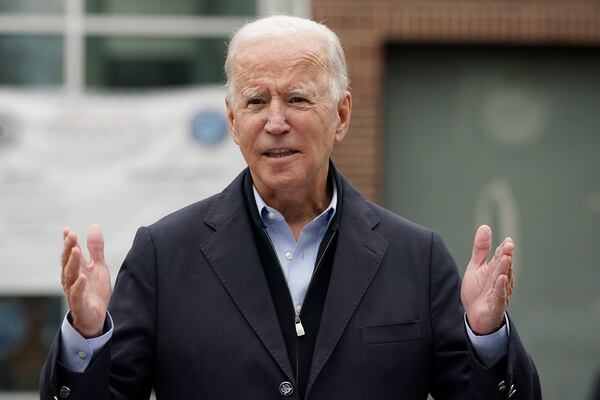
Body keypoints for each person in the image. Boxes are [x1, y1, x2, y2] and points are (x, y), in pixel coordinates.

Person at [40, 15, 541, 400]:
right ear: (233, 122)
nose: (275, 122)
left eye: (298, 99)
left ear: (341, 114)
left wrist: (486, 336)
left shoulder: (416, 257)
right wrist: (86, 338)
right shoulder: (164, 255)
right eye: (256, 102)